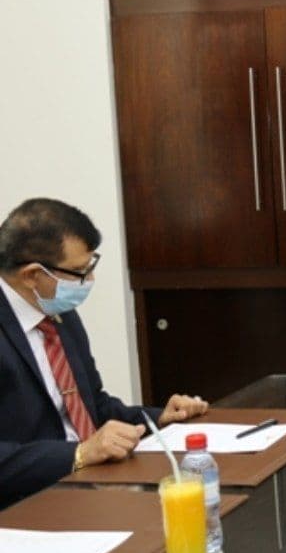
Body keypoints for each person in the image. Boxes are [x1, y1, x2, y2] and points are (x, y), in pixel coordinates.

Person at [0, 199, 207, 508]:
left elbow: (92, 405)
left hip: (92, 486)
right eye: (78, 272)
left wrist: (159, 418)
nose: (89, 281)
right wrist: (78, 454)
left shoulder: (58, 314)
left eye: (90, 268)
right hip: (26, 504)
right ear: (31, 275)